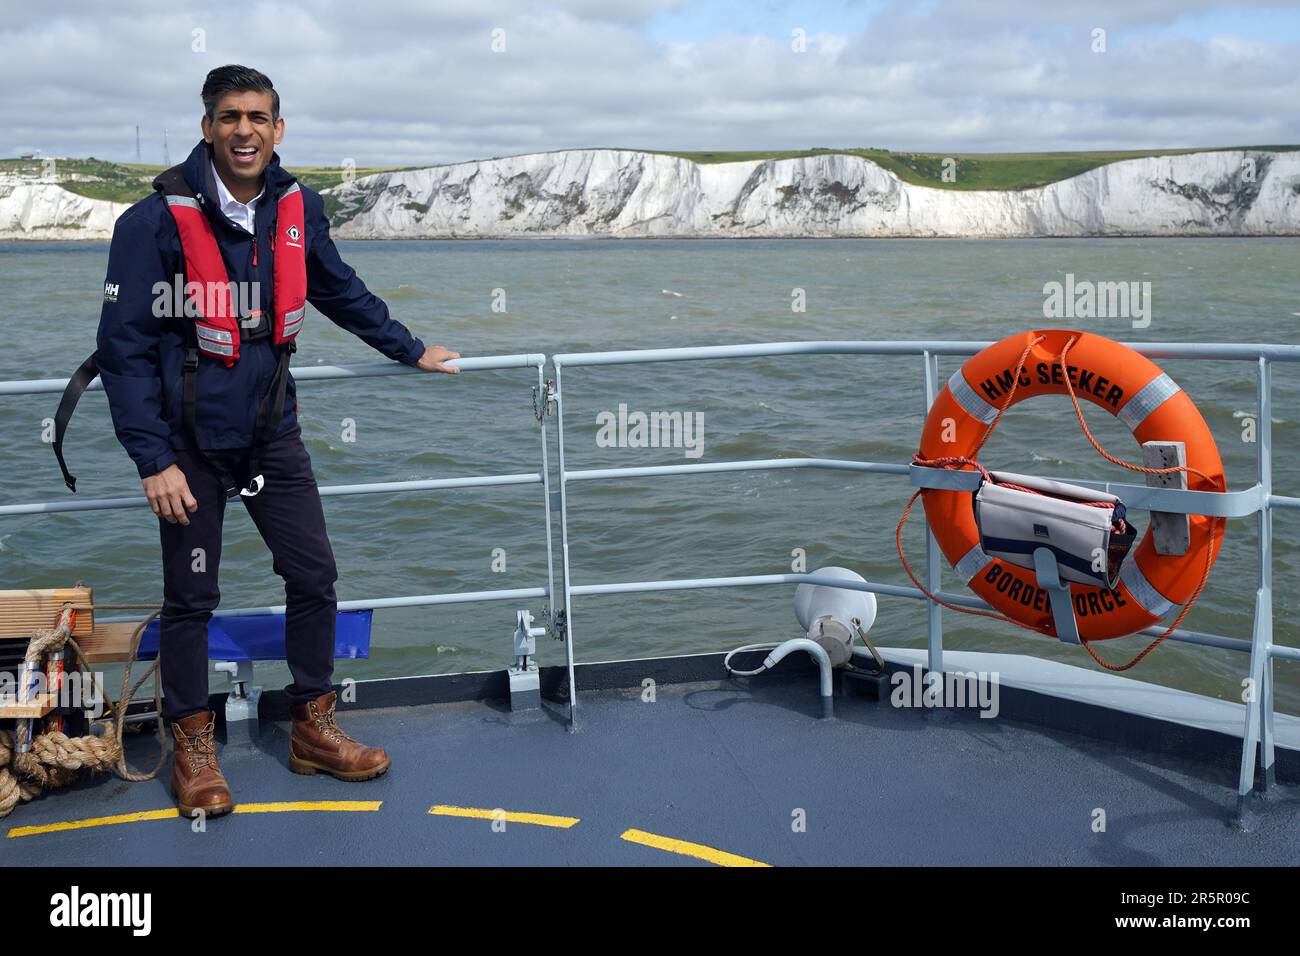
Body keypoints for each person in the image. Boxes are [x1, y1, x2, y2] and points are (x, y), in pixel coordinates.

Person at [91, 65, 460, 818]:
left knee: (314, 574)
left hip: (271, 434)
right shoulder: (151, 223)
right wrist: (152, 458)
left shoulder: (297, 207)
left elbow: (337, 287)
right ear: (207, 128)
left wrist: (407, 346)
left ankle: (312, 730)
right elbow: (122, 349)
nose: (244, 130)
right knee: (191, 598)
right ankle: (193, 748)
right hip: (187, 447)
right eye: (229, 117)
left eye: (258, 117)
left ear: (278, 129)